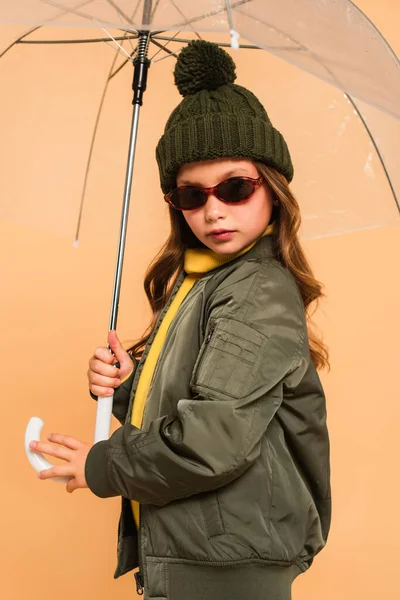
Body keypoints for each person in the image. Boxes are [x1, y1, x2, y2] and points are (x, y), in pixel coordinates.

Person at [29, 40, 331, 599]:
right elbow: (193, 402)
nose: (214, 210)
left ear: (273, 187)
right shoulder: (201, 279)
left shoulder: (257, 290)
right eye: (192, 194)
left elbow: (210, 441)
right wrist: (125, 387)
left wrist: (101, 466)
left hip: (228, 568)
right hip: (196, 552)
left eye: (236, 188)